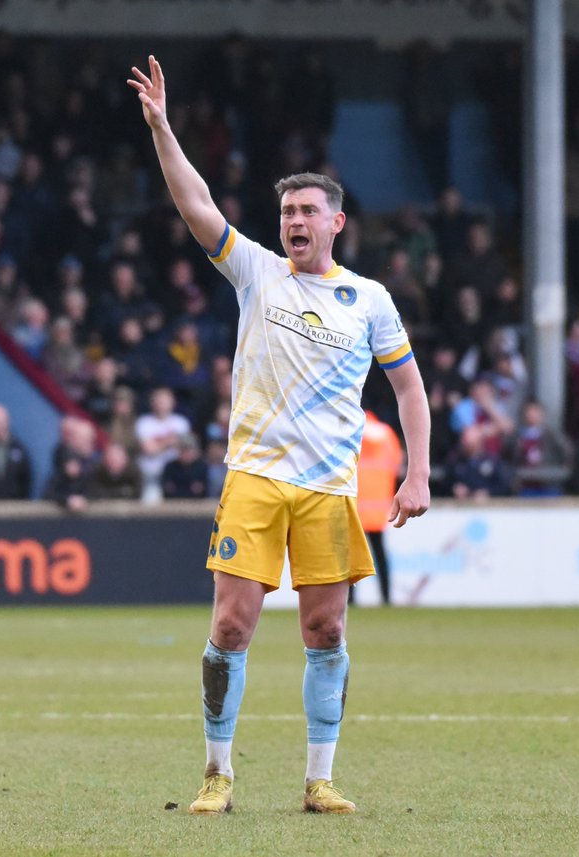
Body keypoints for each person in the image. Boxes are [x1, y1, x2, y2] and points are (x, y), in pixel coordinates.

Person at [129, 55, 431, 816]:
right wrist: (164, 128)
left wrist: (417, 473)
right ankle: (216, 773)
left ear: (336, 222)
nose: (295, 222)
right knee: (231, 622)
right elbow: (195, 204)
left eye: (308, 212)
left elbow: (409, 389)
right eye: (287, 212)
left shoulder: (370, 300)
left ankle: (318, 778)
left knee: (325, 627)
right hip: (256, 478)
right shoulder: (257, 273)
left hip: (330, 488)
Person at [355, 410, 403, 605]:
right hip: (379, 507)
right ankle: (386, 597)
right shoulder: (387, 435)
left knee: (352, 558)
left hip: (356, 506)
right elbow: (397, 465)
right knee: (380, 555)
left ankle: (350, 600)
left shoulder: (353, 430)